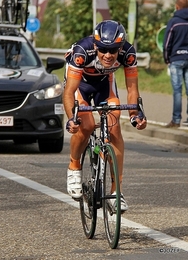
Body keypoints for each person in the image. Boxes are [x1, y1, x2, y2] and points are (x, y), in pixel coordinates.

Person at [63, 20, 147, 211]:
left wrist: (135, 114)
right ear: (95, 45)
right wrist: (71, 118)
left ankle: (116, 193)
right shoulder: (82, 51)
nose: (108, 55)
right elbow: (69, 93)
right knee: (86, 126)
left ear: (120, 47)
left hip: (104, 84)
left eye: (113, 50)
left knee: (115, 128)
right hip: (80, 86)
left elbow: (132, 89)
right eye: (103, 50)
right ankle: (74, 167)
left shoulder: (128, 53)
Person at [163, 0, 188, 128]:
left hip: (176, 59)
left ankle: (176, 120)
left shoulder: (174, 22)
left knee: (177, 91)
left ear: (177, 7)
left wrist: (167, 59)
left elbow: (167, 43)